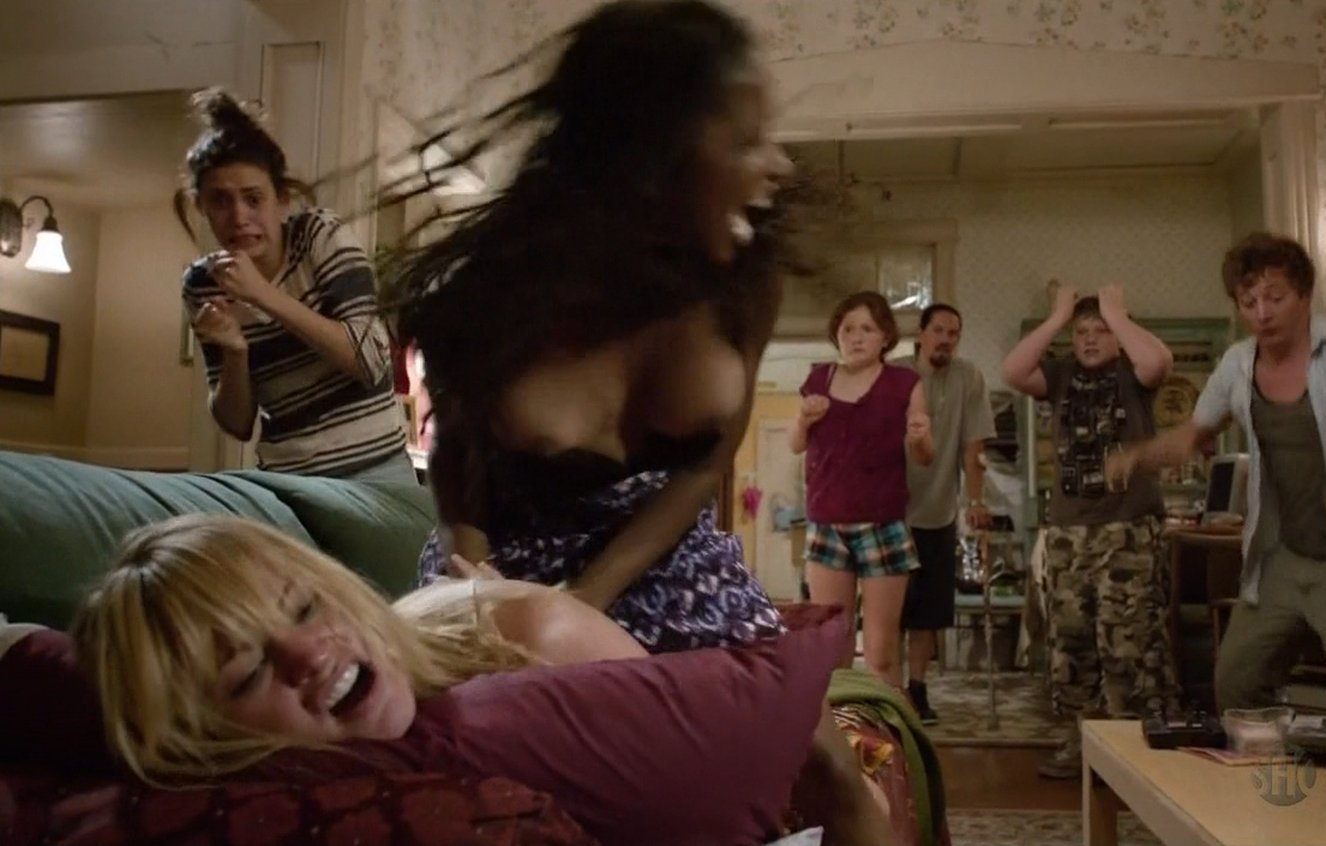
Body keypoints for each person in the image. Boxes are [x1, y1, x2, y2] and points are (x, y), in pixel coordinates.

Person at [71, 513, 891, 845]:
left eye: (306, 607)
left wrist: (846, 795)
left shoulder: (533, 639)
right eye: (251, 670)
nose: (310, 654)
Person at [393, 0, 796, 654]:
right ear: (652, 152)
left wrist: (588, 598)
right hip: (503, 566)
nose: (780, 165)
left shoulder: (749, 283)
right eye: (747, 140)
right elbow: (456, 467)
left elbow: (705, 468)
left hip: (662, 558)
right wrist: (478, 589)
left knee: (799, 721)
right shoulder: (486, 296)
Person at [1112, 232, 1326, 720]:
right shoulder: (1237, 364)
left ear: (1304, 295)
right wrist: (1138, 455)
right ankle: (1276, 768)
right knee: (1235, 686)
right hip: (1283, 558)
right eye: (1248, 302)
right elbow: (1190, 435)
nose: (1262, 313)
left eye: (1275, 297)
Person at [176, 88, 414, 483]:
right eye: (220, 201)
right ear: (202, 206)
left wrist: (263, 295)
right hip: (288, 478)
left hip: (376, 472)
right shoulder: (203, 284)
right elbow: (237, 424)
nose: (239, 217)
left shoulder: (320, 237)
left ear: (282, 200)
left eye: (253, 199)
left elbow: (373, 363)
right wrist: (234, 352)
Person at [1002, 284, 1178, 779]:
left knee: (1130, 641)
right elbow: (1013, 370)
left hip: (1128, 529)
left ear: (1119, 334)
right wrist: (1057, 317)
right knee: (1071, 640)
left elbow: (1159, 362)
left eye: (1100, 330)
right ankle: (1081, 740)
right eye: (1082, 332)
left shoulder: (1132, 373)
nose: (1091, 339)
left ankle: (1131, 750)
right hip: (1068, 531)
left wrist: (1116, 315)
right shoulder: (1059, 375)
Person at [792, 291, 935, 691]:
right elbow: (795, 444)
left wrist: (921, 437)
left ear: (885, 337)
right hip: (827, 523)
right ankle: (840, 728)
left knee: (880, 653)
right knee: (831, 651)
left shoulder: (904, 383)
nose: (856, 337)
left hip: (882, 524)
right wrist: (803, 420)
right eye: (848, 329)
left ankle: (890, 729)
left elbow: (925, 456)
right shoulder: (818, 380)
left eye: (867, 329)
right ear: (836, 336)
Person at [889, 303, 995, 725]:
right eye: (938, 331)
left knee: (928, 612)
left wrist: (975, 502)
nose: (945, 340)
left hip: (939, 511)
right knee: (891, 610)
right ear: (920, 334)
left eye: (953, 333)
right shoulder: (895, 374)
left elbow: (974, 447)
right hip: (890, 512)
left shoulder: (969, 378)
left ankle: (917, 687)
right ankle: (887, 688)